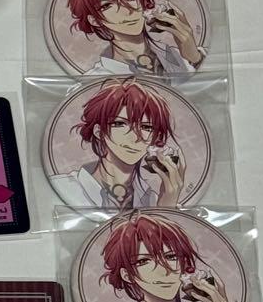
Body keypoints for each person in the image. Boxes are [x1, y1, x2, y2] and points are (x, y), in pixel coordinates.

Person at [98, 213, 235, 302]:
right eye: (143, 261)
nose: (164, 270)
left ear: (184, 264)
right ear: (127, 275)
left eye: (171, 257)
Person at [50, 78, 186, 210]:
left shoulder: (155, 201)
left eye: (146, 127)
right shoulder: (61, 187)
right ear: (98, 131)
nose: (135, 137)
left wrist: (166, 207)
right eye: (120, 124)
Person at [66, 0, 204, 77]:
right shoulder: (96, 78)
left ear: (143, 1)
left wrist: (194, 58)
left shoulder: (176, 55)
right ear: (94, 20)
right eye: (107, 5)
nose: (127, 10)